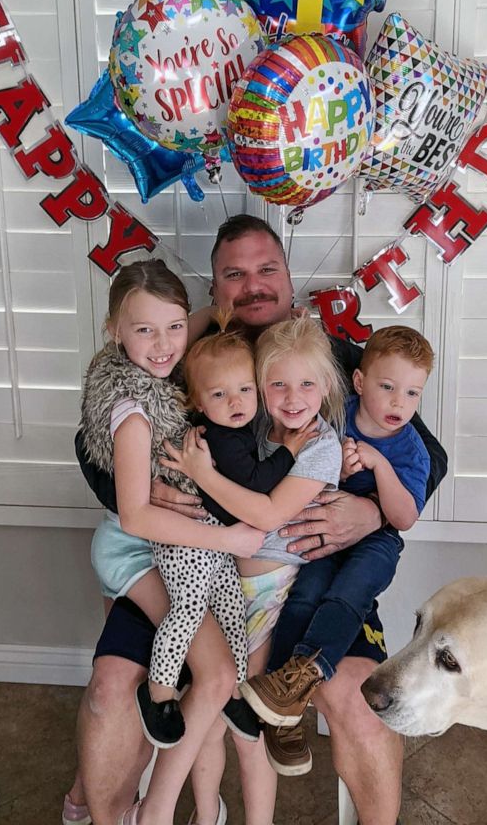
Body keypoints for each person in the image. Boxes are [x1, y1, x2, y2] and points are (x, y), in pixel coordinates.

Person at [70, 215, 448, 825]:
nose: (253, 285)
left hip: (313, 573)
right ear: (215, 288)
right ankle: (106, 807)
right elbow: (92, 441)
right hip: (191, 561)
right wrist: (135, 497)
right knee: (114, 688)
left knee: (354, 695)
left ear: (289, 277)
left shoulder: (337, 358)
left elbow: (429, 455)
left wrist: (372, 510)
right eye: (234, 274)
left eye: (266, 269)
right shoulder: (178, 355)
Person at [76, 258, 266, 825]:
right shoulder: (133, 408)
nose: (163, 346)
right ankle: (153, 811)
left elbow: (194, 319)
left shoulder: (168, 358)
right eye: (144, 330)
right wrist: (231, 533)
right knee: (214, 673)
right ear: (114, 330)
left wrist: (216, 312)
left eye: (175, 327)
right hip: (136, 548)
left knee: (219, 665)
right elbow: (135, 516)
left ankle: (173, 803)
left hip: (177, 544)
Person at [239, 325, 434, 773]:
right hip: (319, 537)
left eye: (411, 394)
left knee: (346, 596)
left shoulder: (411, 450)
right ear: (360, 383)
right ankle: (280, 697)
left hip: (376, 544)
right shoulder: (334, 415)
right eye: (387, 388)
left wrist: (377, 464)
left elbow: (404, 519)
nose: (398, 403)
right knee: (305, 597)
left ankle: (306, 675)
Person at [165, 316, 346, 781]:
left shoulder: (320, 445)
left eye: (306, 383)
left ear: (326, 384)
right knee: (211, 698)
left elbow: (265, 515)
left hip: (268, 586)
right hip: (221, 572)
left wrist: (202, 474)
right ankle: (204, 806)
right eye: (276, 384)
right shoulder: (249, 416)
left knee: (246, 713)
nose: (292, 398)